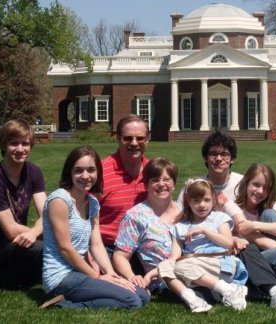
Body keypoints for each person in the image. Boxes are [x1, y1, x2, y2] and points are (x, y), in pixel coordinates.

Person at [177, 131, 276, 308]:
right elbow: (180, 221)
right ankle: (271, 287)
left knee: (269, 216)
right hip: (227, 250)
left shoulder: (242, 184)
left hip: (250, 247)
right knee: (252, 249)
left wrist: (252, 226)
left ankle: (259, 286)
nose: (219, 158)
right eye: (213, 153)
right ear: (206, 158)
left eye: (224, 154)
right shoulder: (195, 188)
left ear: (232, 158)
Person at [40, 146, 150, 309]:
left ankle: (73, 297)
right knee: (132, 301)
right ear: (69, 172)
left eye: (91, 170)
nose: (85, 176)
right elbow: (65, 249)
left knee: (141, 295)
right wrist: (97, 277)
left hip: (81, 273)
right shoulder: (60, 201)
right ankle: (62, 304)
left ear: (98, 172)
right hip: (61, 277)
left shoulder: (92, 203)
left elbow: (96, 244)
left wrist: (110, 273)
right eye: (78, 170)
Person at [0, 119, 46, 289]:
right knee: (48, 250)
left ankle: (9, 276)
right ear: (4, 145)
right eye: (14, 143)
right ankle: (1, 279)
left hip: (20, 239)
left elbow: (47, 214)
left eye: (25, 143)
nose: (20, 149)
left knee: (55, 249)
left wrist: (35, 232)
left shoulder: (33, 172)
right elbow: (11, 229)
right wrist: (48, 237)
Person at [157, 178, 248, 312]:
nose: (202, 205)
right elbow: (174, 257)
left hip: (220, 263)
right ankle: (194, 300)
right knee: (164, 265)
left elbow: (228, 244)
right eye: (196, 200)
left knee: (181, 266)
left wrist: (205, 231)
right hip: (194, 268)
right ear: (188, 202)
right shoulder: (180, 227)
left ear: (213, 201)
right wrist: (160, 271)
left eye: (206, 200)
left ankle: (227, 290)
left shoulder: (219, 218)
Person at [112, 157, 181, 292]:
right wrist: (132, 276)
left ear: (174, 184)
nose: (161, 184)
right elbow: (120, 256)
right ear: (146, 185)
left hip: (195, 269)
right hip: (164, 281)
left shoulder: (185, 212)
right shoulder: (136, 216)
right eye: (155, 180)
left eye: (167, 180)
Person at [99, 114, 149, 257]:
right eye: (127, 138)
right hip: (108, 248)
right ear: (117, 138)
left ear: (147, 140)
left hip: (143, 249)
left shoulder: (153, 173)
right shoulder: (101, 171)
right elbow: (82, 217)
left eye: (140, 138)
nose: (134, 143)